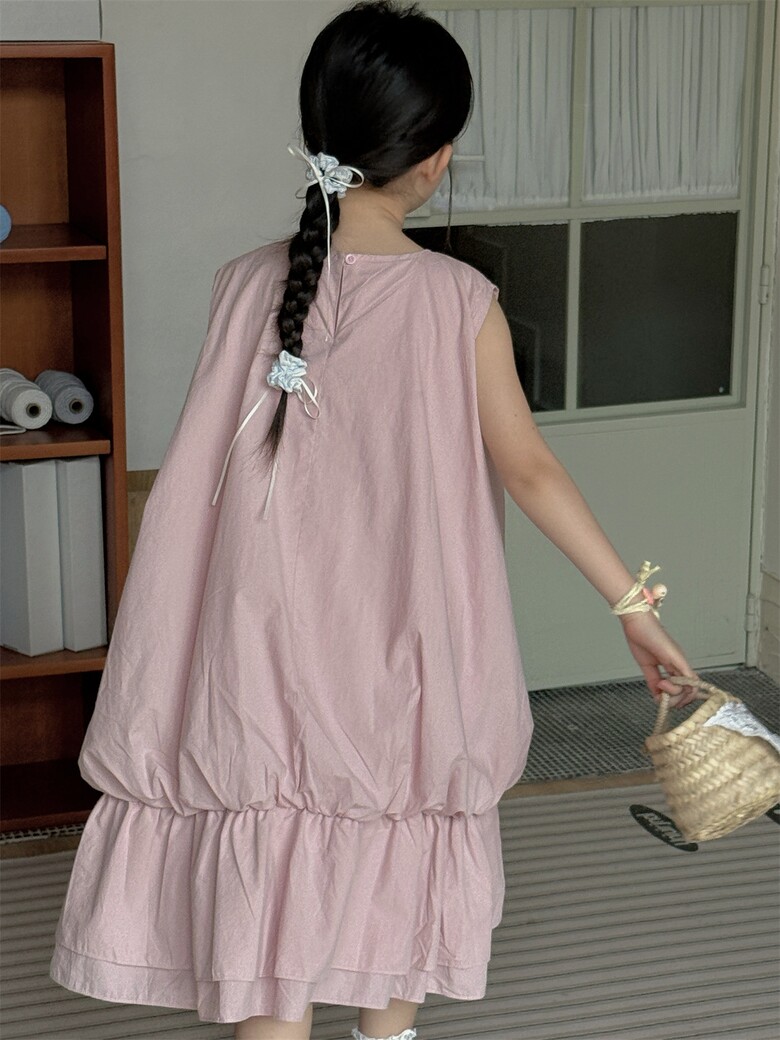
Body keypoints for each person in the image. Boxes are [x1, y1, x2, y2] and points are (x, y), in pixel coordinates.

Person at [49, 2, 700, 1039]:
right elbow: (530, 470)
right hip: (400, 666)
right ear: (435, 158)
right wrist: (634, 605)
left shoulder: (244, 285)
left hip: (259, 661)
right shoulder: (459, 300)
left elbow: (201, 483)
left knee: (270, 947)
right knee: (400, 874)